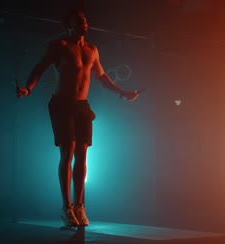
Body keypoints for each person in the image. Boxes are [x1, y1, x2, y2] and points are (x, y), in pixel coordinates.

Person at [16, 8, 139, 228]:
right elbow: (39, 68)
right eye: (80, 20)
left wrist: (122, 92)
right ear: (69, 25)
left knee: (82, 154)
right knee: (68, 151)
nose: (85, 22)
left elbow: (101, 77)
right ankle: (66, 207)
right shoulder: (60, 46)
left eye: (85, 19)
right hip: (62, 103)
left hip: (82, 105)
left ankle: (80, 206)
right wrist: (29, 88)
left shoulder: (92, 50)